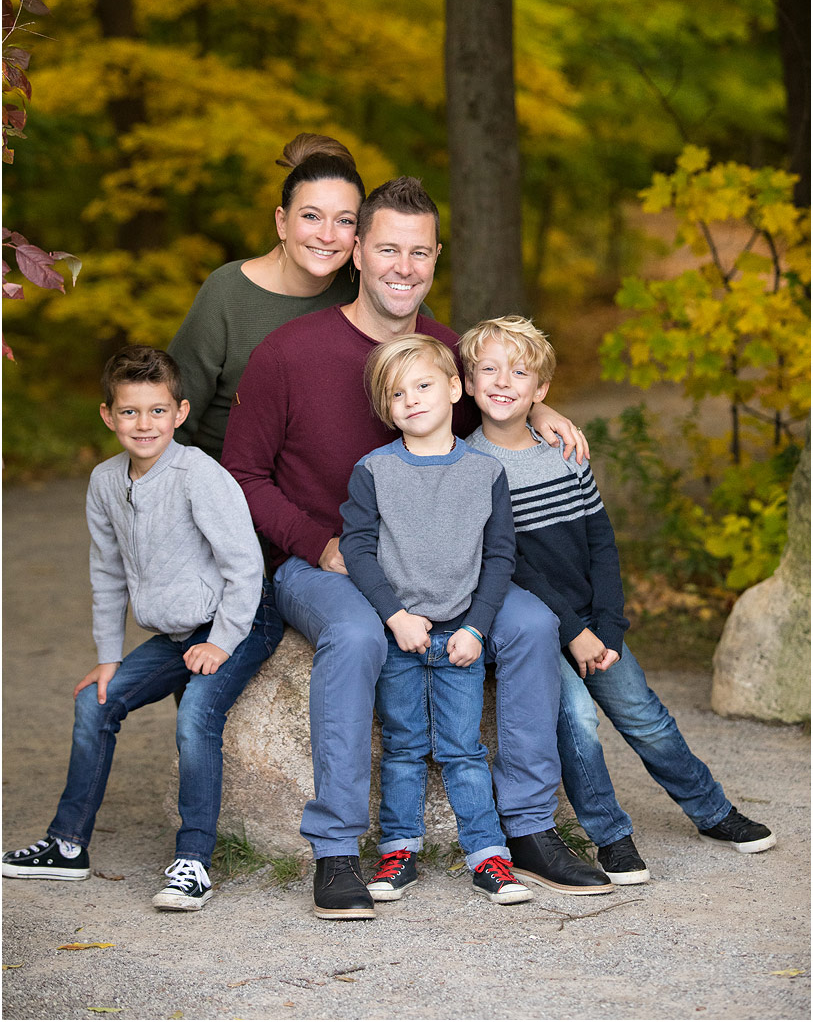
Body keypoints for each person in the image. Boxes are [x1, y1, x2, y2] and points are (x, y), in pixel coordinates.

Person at [222, 176, 612, 920]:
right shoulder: (288, 352)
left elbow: (503, 381)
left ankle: (527, 827)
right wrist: (317, 542)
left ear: (435, 260)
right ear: (358, 254)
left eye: (421, 253)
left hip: (446, 565)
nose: (404, 266)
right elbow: (239, 473)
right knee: (355, 631)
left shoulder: (442, 348)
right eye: (388, 249)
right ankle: (337, 847)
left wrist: (542, 406)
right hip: (325, 561)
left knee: (530, 624)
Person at [459, 314, 777, 885]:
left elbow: (601, 541)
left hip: (595, 623)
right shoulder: (472, 466)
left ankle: (712, 811)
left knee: (645, 717)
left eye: (519, 372)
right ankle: (611, 837)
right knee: (577, 719)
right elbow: (512, 568)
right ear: (469, 380)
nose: (503, 381)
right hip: (544, 629)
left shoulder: (563, 452)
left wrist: (607, 623)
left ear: (541, 391)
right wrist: (572, 630)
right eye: (488, 369)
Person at [2, 346, 273, 911]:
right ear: (108, 415)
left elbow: (245, 566)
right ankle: (67, 843)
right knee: (94, 702)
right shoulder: (104, 482)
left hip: (237, 621)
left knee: (198, 714)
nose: (143, 424)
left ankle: (194, 862)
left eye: (156, 411)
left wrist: (220, 643)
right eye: (130, 412)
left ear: (180, 412)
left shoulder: (200, 474)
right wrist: (108, 656)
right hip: (175, 635)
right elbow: (106, 572)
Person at [340, 335, 532, 906]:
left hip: (459, 637)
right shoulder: (373, 471)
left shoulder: (485, 471)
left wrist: (477, 627)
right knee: (402, 746)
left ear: (454, 388)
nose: (412, 400)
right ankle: (399, 851)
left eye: (423, 386)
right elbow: (357, 548)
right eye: (397, 394)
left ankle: (488, 855)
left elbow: (499, 557)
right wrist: (394, 617)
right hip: (400, 634)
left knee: (462, 747)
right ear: (385, 408)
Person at [167, 132, 365, 462]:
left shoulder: (367, 290)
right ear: (282, 222)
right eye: (311, 216)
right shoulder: (227, 293)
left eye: (345, 220)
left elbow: (434, 356)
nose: (327, 235)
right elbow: (171, 416)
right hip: (224, 488)